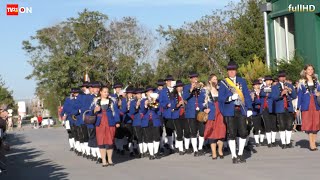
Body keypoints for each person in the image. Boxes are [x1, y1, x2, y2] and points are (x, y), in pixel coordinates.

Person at [218, 60, 253, 164]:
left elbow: (246, 95)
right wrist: (230, 97)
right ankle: (234, 155)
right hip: (230, 111)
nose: (231, 72)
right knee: (232, 134)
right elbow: (221, 98)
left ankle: (241, 154)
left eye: (233, 70)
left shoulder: (242, 81)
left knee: (243, 132)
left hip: (241, 110)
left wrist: (249, 108)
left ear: (236, 71)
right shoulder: (224, 82)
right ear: (227, 72)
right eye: (229, 70)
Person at [91, 85, 120, 167]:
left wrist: (117, 121)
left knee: (110, 141)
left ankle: (110, 159)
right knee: (101, 141)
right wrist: (94, 110)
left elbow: (116, 112)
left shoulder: (112, 101)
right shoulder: (95, 101)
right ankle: (104, 160)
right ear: (100, 92)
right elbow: (90, 112)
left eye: (107, 92)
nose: (106, 93)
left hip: (110, 122)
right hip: (99, 123)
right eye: (104, 92)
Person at [199, 74, 226, 160]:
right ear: (210, 81)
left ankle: (220, 150)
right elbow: (200, 102)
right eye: (214, 79)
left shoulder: (220, 90)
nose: (215, 81)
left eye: (216, 79)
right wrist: (204, 109)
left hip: (220, 113)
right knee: (212, 133)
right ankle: (214, 152)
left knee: (221, 132)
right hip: (211, 113)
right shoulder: (205, 90)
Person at [271, 71, 297, 149]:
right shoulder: (275, 87)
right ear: (278, 78)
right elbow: (274, 98)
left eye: (284, 77)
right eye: (281, 77)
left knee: (289, 125)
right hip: (280, 108)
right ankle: (283, 143)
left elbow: (294, 96)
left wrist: (290, 91)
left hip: (289, 108)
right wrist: (281, 94)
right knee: (282, 126)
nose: (282, 78)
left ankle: (288, 142)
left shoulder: (289, 85)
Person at [297, 64, 320, 151]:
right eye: (308, 69)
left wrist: (318, 93)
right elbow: (300, 96)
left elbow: (319, 91)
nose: (310, 71)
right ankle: (311, 144)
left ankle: (313, 142)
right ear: (305, 70)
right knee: (310, 124)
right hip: (306, 104)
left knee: (316, 124)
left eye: (311, 69)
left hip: (316, 105)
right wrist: (298, 108)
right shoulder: (301, 82)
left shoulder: (317, 81)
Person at [183, 72, 205, 156]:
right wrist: (191, 89)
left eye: (196, 77)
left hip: (200, 111)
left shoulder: (201, 87)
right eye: (193, 78)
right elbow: (184, 97)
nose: (195, 79)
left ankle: (200, 148)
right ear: (190, 79)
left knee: (202, 131)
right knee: (193, 131)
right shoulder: (186, 87)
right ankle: (195, 150)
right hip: (191, 112)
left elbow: (204, 98)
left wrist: (201, 89)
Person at [142, 86, 162, 160]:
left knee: (156, 137)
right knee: (149, 137)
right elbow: (143, 112)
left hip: (155, 120)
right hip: (146, 120)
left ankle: (156, 153)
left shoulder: (157, 100)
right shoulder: (143, 101)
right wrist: (145, 105)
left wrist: (153, 101)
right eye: (149, 92)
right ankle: (151, 154)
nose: (150, 93)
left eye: (151, 92)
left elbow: (155, 108)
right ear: (146, 93)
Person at [159, 75, 176, 154]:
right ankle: (169, 146)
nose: (170, 82)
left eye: (171, 81)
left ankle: (174, 145)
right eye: (168, 81)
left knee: (174, 130)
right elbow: (160, 102)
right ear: (166, 82)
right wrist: (166, 105)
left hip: (175, 112)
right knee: (168, 130)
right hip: (167, 113)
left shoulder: (175, 90)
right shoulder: (163, 91)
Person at [260, 76, 277, 147]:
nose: (268, 82)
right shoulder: (263, 88)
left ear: (271, 81)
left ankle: (273, 140)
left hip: (272, 108)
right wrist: (268, 94)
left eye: (269, 80)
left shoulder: (274, 88)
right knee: (267, 125)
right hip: (265, 108)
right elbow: (262, 94)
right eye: (266, 81)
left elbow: (275, 96)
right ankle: (269, 142)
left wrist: (268, 94)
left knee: (273, 125)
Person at [170, 80, 187, 155]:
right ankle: (181, 149)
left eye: (181, 86)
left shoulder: (184, 94)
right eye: (179, 87)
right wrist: (179, 104)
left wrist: (185, 102)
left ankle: (181, 146)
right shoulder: (173, 95)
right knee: (179, 132)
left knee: (185, 131)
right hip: (176, 115)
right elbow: (172, 106)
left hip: (184, 115)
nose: (180, 88)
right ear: (176, 88)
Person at [61, 88, 80, 152]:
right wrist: (62, 116)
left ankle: (77, 147)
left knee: (76, 133)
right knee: (70, 133)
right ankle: (72, 146)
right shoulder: (67, 100)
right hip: (68, 119)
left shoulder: (78, 99)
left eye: (74, 93)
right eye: (72, 93)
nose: (73, 94)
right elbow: (64, 110)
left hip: (76, 118)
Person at [131, 88, 147, 158]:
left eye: (140, 94)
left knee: (145, 137)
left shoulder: (145, 101)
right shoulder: (132, 102)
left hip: (144, 121)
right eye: (138, 94)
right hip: (136, 122)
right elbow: (131, 112)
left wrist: (145, 105)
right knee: (139, 138)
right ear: (135, 95)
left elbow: (144, 111)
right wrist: (136, 106)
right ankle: (140, 151)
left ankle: (145, 151)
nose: (139, 95)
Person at [120, 87, 136, 157]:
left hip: (134, 119)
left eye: (131, 93)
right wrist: (127, 106)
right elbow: (123, 111)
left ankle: (133, 149)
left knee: (133, 135)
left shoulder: (135, 100)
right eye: (129, 93)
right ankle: (127, 149)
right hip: (127, 120)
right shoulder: (124, 100)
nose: (130, 95)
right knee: (128, 136)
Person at [111, 82, 126, 155]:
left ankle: (121, 148)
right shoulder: (112, 96)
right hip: (115, 116)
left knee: (122, 133)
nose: (119, 89)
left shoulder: (123, 96)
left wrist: (123, 98)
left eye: (120, 88)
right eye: (117, 88)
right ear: (115, 89)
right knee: (116, 133)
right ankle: (117, 147)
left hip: (122, 116)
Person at [251, 80, 265, 146]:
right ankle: (256, 141)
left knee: (263, 126)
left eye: (258, 85)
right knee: (256, 127)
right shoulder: (251, 93)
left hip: (262, 111)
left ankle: (262, 140)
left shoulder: (262, 93)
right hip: (255, 111)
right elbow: (252, 102)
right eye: (256, 85)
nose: (257, 86)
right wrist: (255, 98)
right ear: (253, 86)